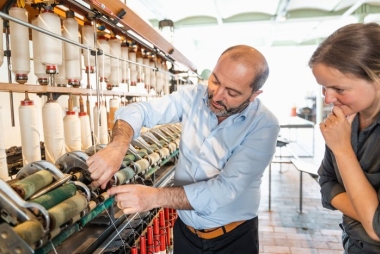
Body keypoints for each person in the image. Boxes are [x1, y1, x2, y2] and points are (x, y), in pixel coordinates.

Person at [87, 45, 280, 253]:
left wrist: (153, 197)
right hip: (186, 234)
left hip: (232, 240)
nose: (216, 96)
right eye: (215, 80)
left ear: (254, 95)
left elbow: (222, 191)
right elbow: (140, 111)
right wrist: (118, 145)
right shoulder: (194, 97)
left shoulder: (264, 125)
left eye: (232, 92)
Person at [309, 22, 380, 253]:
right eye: (323, 88)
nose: (328, 99)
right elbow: (327, 181)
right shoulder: (346, 120)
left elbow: (377, 228)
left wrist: (342, 149)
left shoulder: (340, 133)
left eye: (339, 89)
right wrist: (366, 211)